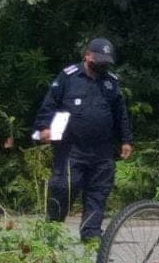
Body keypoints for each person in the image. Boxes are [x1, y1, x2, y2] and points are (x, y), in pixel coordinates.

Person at [33, 37, 133, 241]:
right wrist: (43, 128)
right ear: (87, 56)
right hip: (71, 149)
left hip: (102, 151)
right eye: (99, 59)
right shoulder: (68, 77)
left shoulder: (111, 82)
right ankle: (50, 236)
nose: (103, 64)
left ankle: (91, 238)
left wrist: (126, 140)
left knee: (98, 193)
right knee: (63, 189)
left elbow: (120, 113)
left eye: (106, 61)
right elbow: (49, 104)